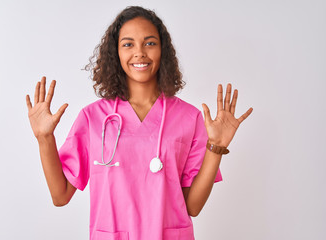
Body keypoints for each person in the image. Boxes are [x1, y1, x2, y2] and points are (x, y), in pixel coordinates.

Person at [26, 6, 252, 240]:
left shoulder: (189, 118)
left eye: (150, 43)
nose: (140, 53)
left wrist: (215, 147)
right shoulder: (93, 118)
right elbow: (60, 195)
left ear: (163, 50)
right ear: (116, 53)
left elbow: (192, 207)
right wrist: (44, 139)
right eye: (128, 44)